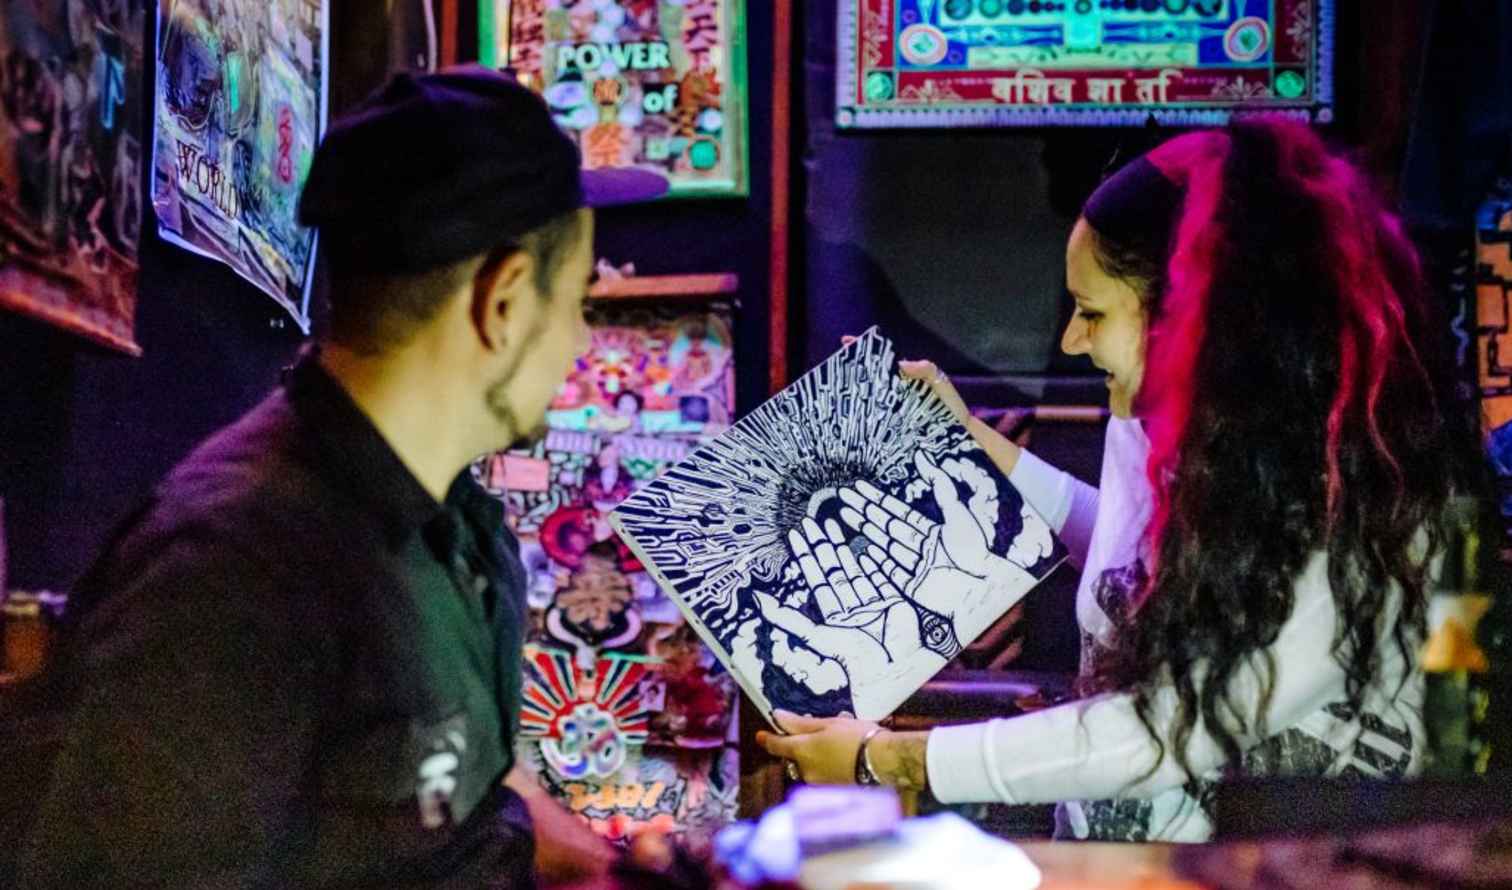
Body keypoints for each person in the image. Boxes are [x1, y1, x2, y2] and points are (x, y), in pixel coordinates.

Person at [21, 66, 670, 886]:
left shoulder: (457, 529)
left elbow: (451, 798)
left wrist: (610, 865)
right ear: (503, 305)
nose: (581, 340)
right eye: (577, 299)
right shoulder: (233, 573)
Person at [758, 120, 1463, 842]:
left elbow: (1164, 730)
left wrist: (892, 760)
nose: (1070, 340)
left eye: (1092, 313)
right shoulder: (1182, 433)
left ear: (1203, 317)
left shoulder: (1363, 508)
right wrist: (970, 443)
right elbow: (1134, 564)